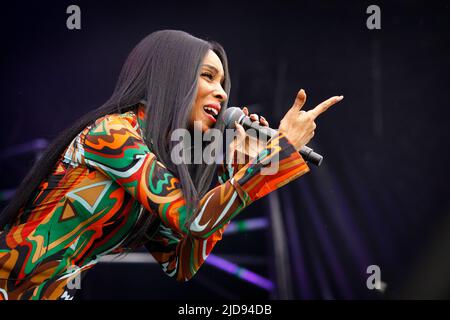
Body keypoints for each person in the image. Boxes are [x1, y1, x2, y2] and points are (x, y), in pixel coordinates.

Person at [0, 30, 343, 300]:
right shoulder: (114, 134)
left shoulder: (158, 161)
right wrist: (278, 152)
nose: (222, 93)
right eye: (208, 76)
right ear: (172, 78)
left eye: (222, 83)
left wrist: (235, 166)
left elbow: (181, 264)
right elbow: (193, 219)